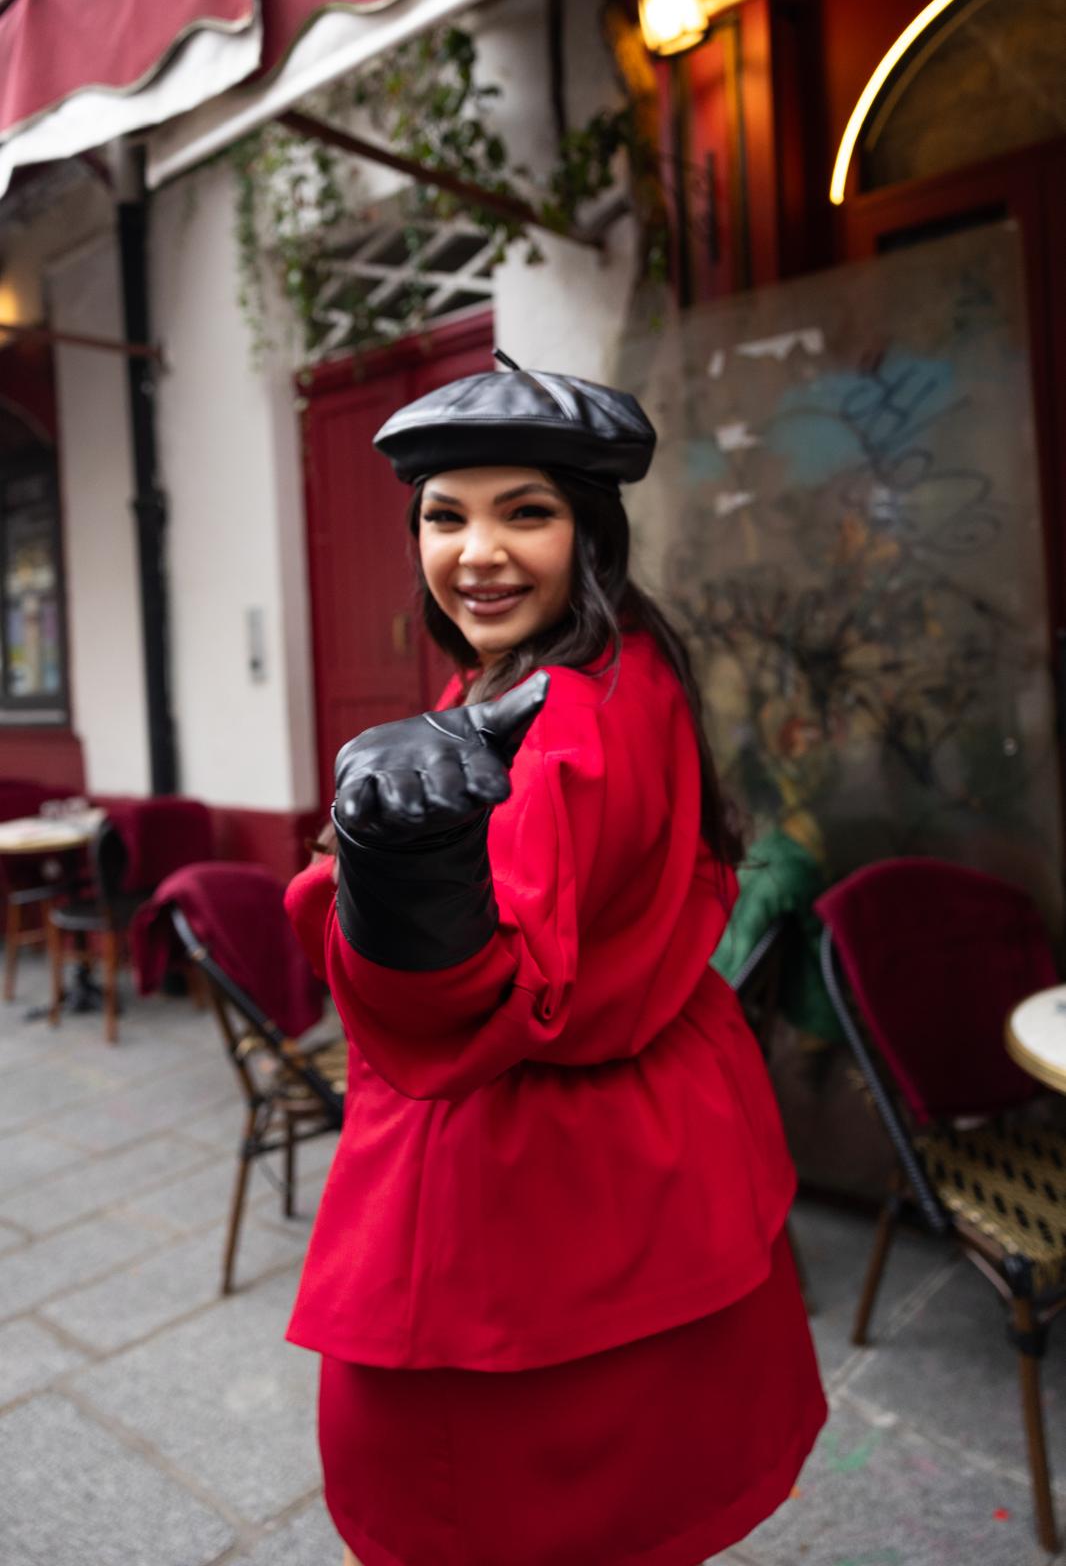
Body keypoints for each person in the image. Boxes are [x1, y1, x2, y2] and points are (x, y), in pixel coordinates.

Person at [284, 356, 826, 1566]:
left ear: (589, 528)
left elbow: (472, 1001)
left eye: (524, 510)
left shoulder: (559, 716)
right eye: (444, 513)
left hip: (528, 1185)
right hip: (645, 1145)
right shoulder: (612, 657)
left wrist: (399, 877)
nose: (476, 550)